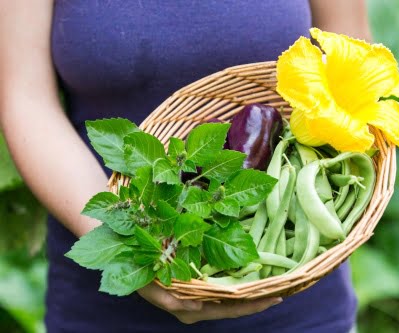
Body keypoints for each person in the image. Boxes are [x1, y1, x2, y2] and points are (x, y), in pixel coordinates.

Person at [0, 1, 372, 332]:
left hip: (299, 306)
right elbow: (26, 99)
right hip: (108, 301)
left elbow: (354, 67)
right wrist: (124, 244)